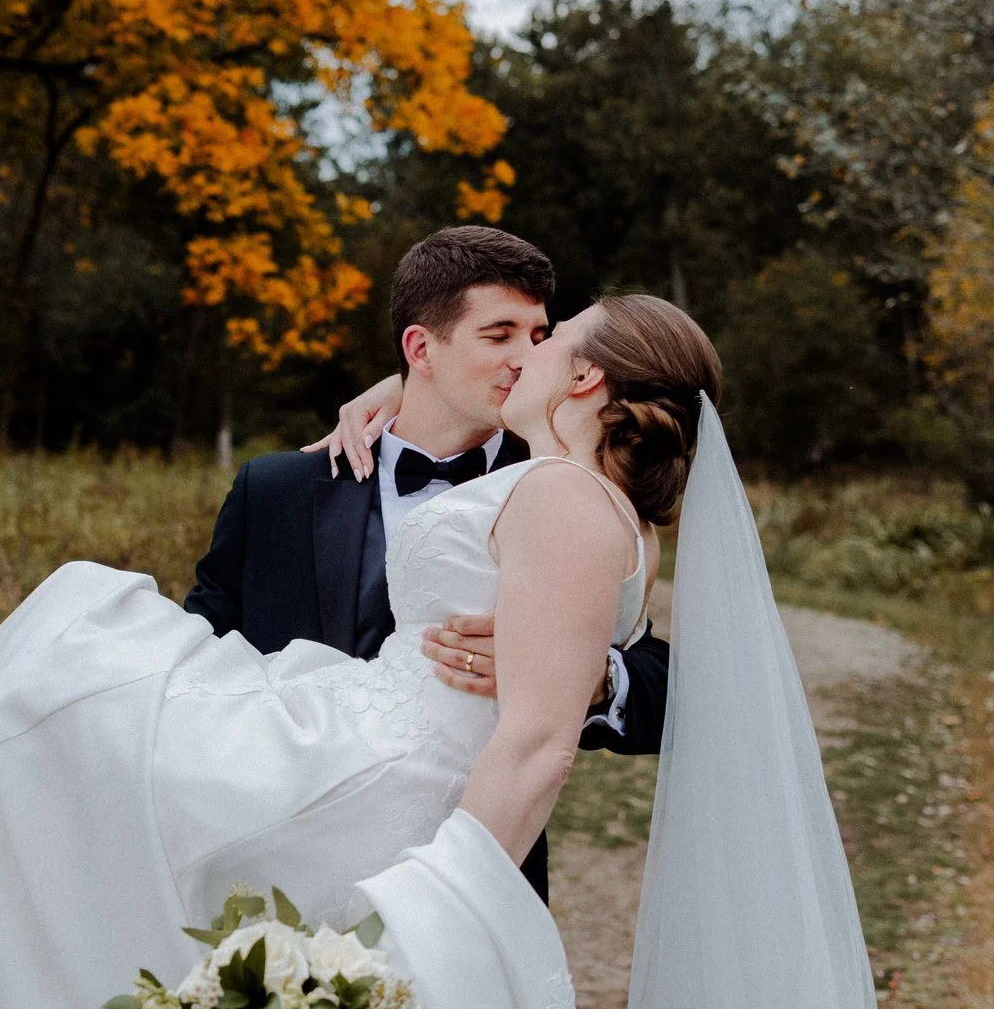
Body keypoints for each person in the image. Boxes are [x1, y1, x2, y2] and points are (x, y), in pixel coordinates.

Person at [0, 294, 876, 1009]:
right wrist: (397, 394)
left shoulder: (566, 502)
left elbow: (537, 741)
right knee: (98, 788)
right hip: (360, 729)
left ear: (585, 382)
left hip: (375, 772)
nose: (527, 353)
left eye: (550, 338)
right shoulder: (575, 494)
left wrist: (451, 904)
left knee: (80, 647)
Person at [179, 226, 673, 901]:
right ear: (419, 348)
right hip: (274, 849)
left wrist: (591, 676)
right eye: (500, 335)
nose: (525, 357)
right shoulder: (278, 491)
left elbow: (669, 679)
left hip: (475, 849)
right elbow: (201, 650)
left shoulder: (562, 484)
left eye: (538, 335)